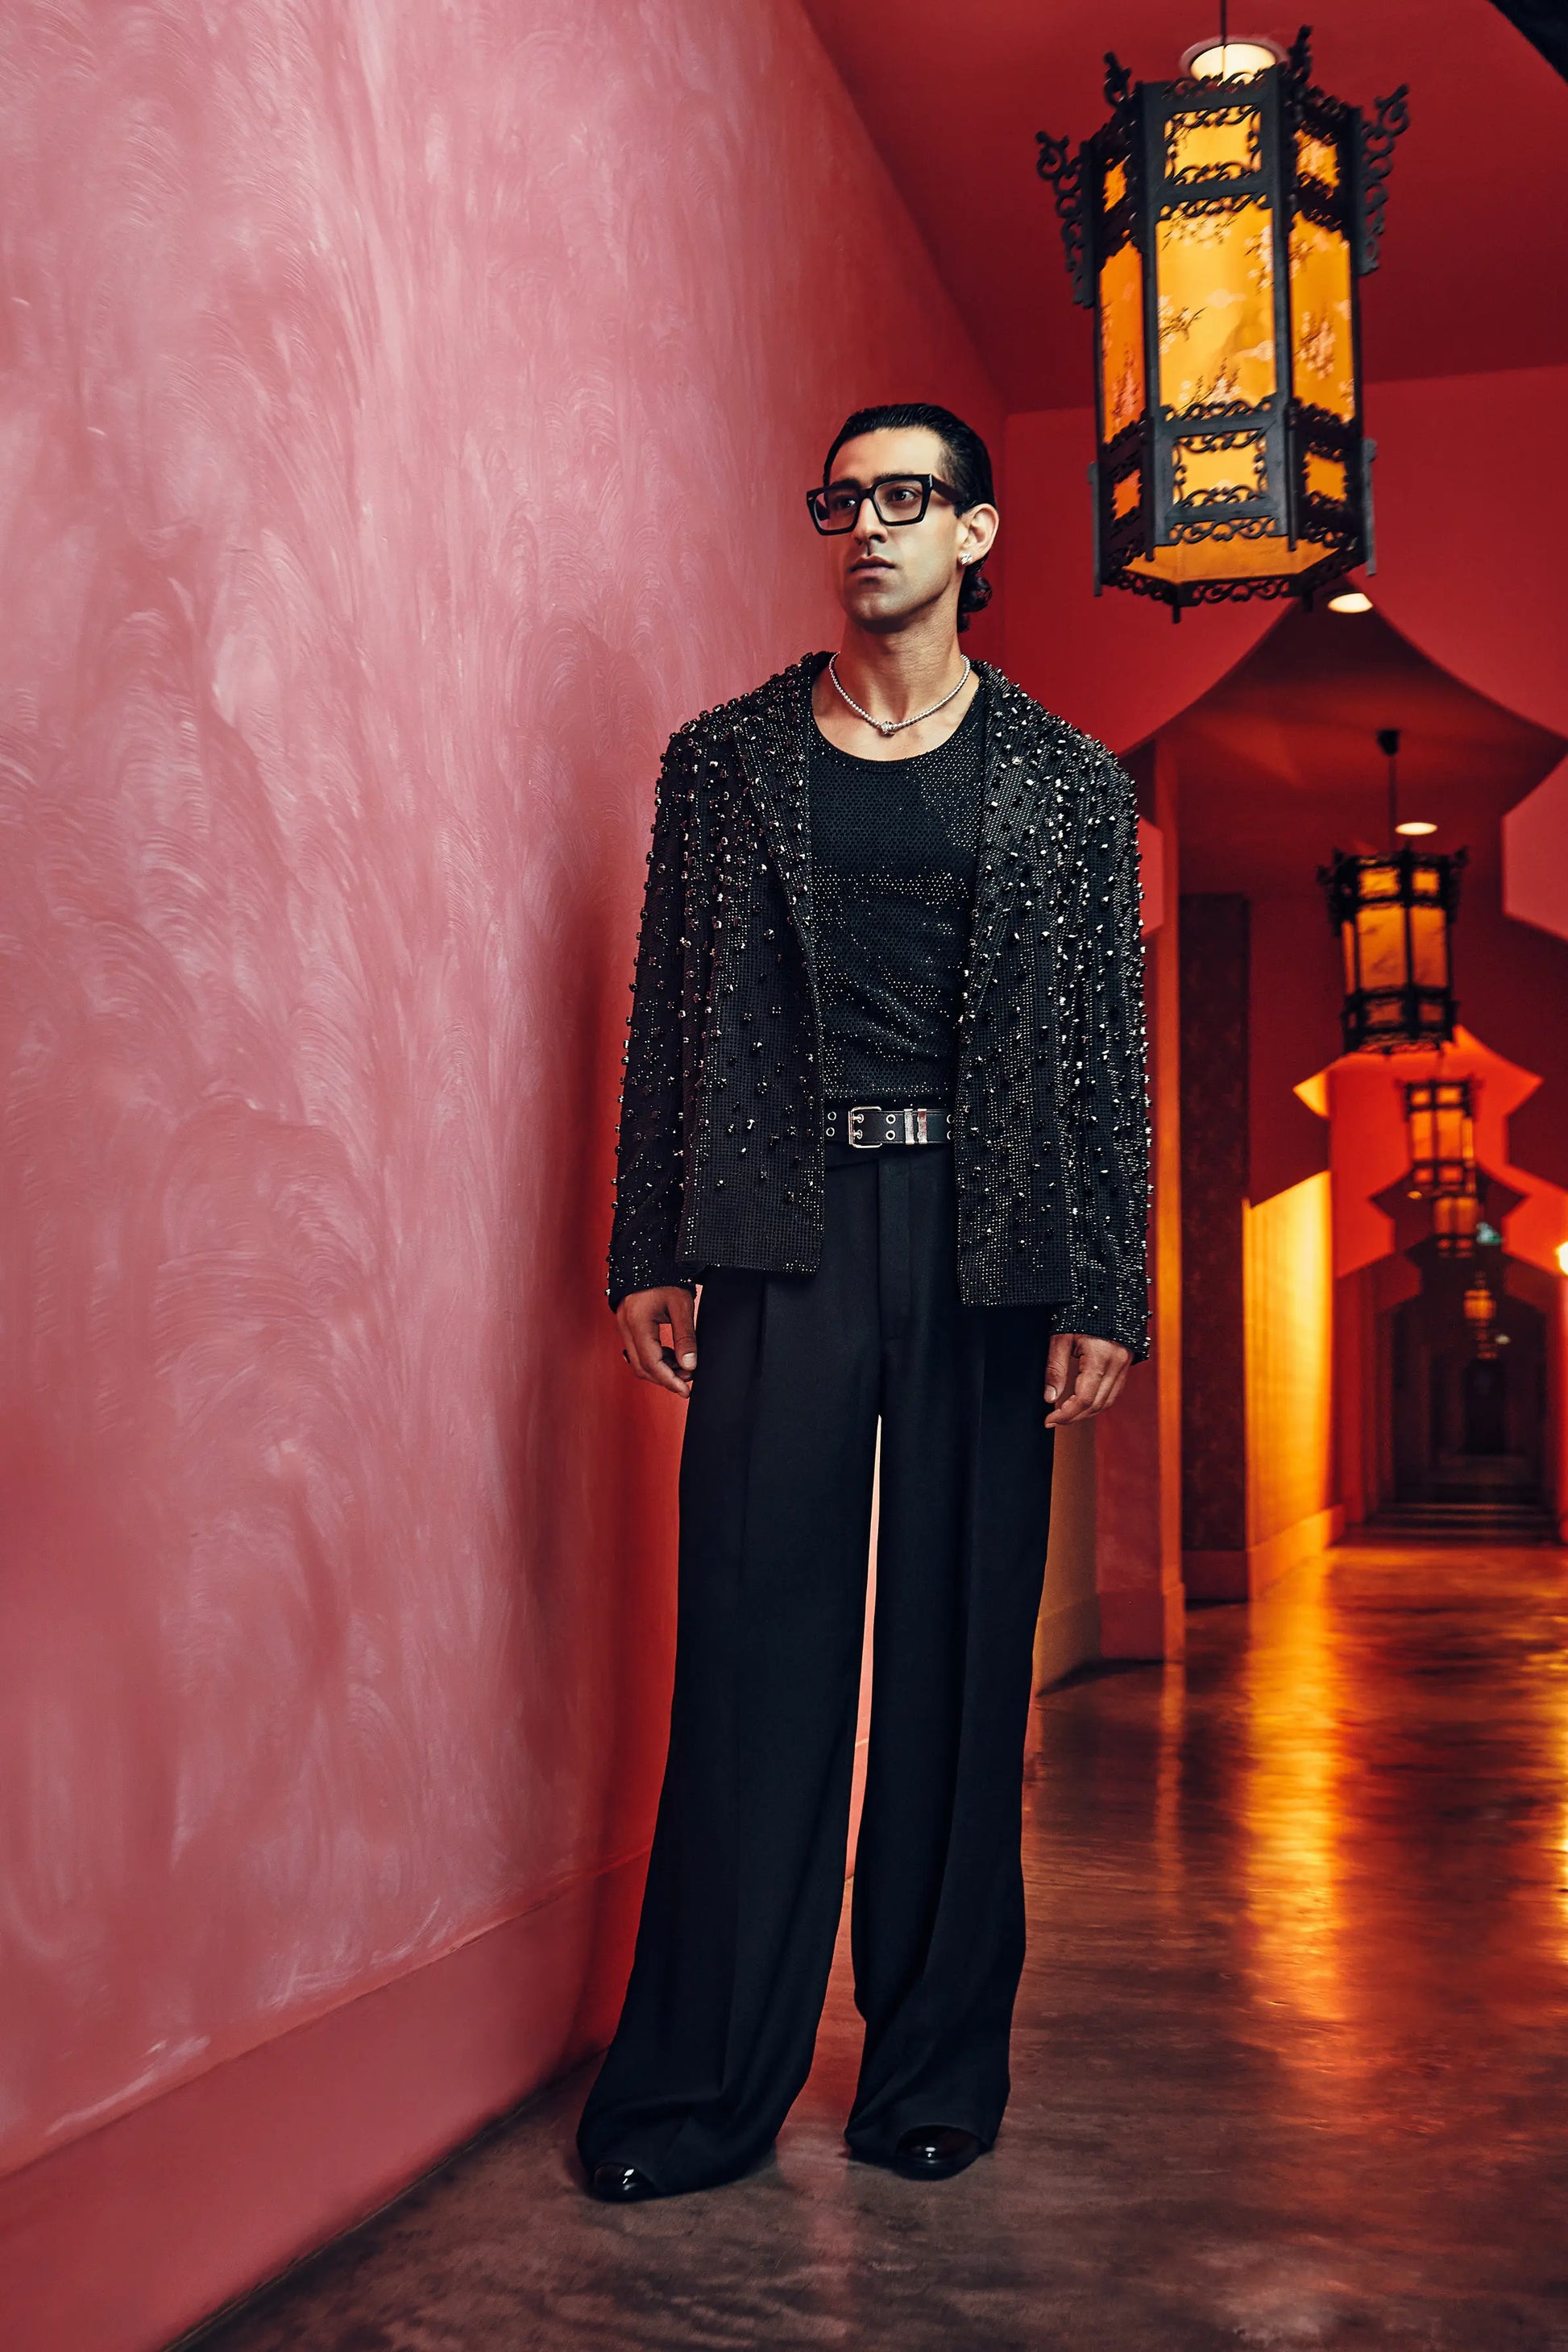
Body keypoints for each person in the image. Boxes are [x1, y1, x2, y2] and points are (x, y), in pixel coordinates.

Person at [577, 402, 1149, 2201]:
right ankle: (700, 2089)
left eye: (909, 496)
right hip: (784, 1224)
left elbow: (1106, 1047)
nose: (871, 525)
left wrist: (1104, 1279)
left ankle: (930, 2071)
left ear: (976, 534)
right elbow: (666, 1006)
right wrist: (648, 1239)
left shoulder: (1067, 781)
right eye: (847, 497)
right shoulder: (726, 762)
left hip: (987, 1236)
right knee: (755, 1642)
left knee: (963, 1658)